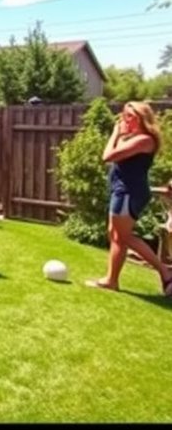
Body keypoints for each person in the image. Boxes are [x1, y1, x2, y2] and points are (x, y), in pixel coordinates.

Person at [87, 102, 172, 295]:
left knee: (122, 237)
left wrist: (116, 133)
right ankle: (113, 279)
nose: (125, 120)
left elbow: (108, 156)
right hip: (123, 191)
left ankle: (165, 273)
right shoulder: (134, 139)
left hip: (128, 192)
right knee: (115, 234)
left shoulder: (144, 140)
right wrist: (121, 134)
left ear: (142, 118)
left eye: (130, 116)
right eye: (124, 116)